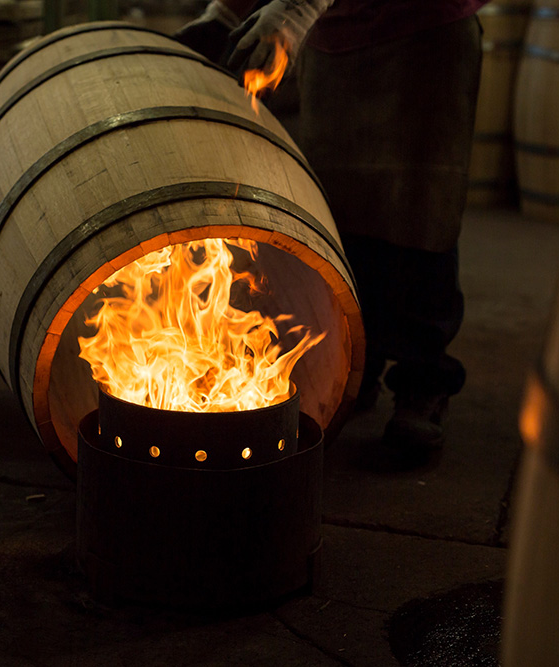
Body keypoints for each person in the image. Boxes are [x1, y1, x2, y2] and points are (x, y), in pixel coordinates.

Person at [176, 0, 486, 457]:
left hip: (423, 31)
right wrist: (225, 13)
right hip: (335, 41)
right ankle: (361, 363)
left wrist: (295, 10)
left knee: (421, 211)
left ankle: (424, 380)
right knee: (340, 212)